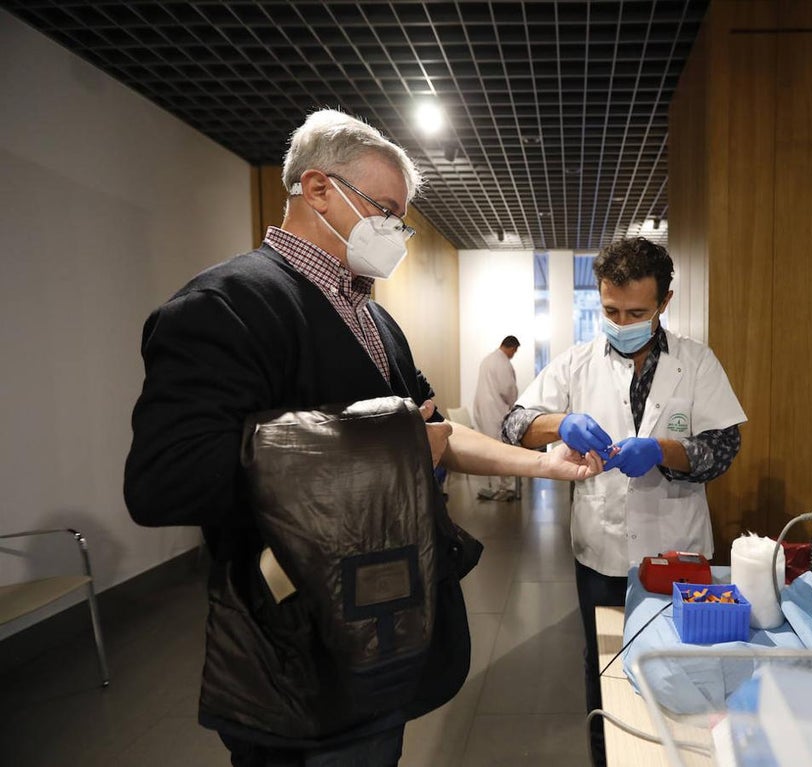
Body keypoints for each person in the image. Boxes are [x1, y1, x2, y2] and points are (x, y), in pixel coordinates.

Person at [123, 109, 602, 767]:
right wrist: (391, 447)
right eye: (385, 211)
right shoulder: (226, 304)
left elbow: (432, 432)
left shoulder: (376, 320)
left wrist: (547, 464)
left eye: (400, 220)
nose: (395, 234)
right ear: (318, 190)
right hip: (298, 647)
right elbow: (167, 477)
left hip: (386, 625)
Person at [501, 236, 746, 767]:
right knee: (605, 670)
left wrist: (663, 450)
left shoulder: (697, 363)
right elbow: (515, 424)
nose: (621, 320)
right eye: (611, 309)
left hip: (678, 553)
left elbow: (723, 448)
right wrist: (558, 423)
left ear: (665, 302)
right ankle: (606, 757)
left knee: (684, 666)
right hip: (601, 552)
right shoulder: (576, 363)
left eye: (636, 311)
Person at [472, 335, 521, 501]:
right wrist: (515, 405)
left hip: (483, 409)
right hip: (495, 411)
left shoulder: (488, 359)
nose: (514, 354)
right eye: (515, 351)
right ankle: (506, 488)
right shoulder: (502, 362)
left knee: (488, 449)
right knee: (500, 449)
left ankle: (495, 486)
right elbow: (508, 389)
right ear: (511, 347)